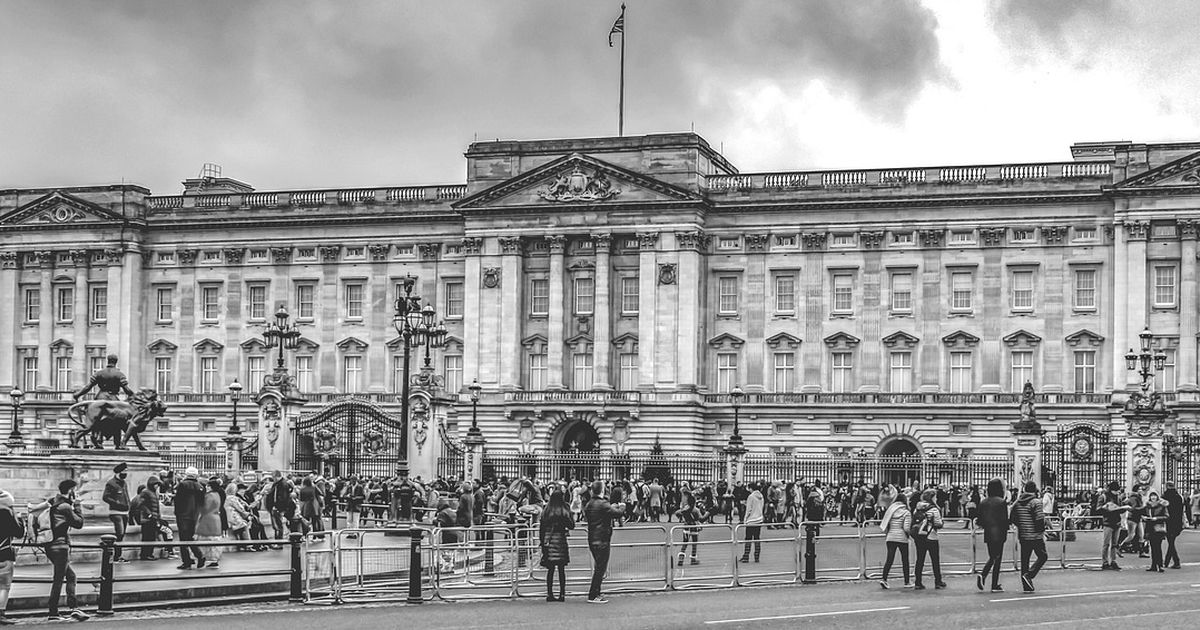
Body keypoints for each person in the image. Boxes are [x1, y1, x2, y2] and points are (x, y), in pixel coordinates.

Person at [45, 479, 90, 622]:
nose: (75, 493)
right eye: (74, 490)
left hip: (50, 545)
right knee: (58, 579)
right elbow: (79, 523)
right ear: (70, 490)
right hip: (60, 546)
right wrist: (77, 505)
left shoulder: (52, 501)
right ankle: (53, 612)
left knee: (70, 576)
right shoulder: (64, 506)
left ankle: (73, 608)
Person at [583, 481, 626, 604]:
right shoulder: (603, 504)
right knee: (600, 569)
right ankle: (593, 594)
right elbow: (617, 514)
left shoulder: (590, 504)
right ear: (602, 490)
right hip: (602, 538)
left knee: (599, 566)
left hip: (592, 537)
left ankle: (597, 592)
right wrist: (622, 506)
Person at [1011, 480, 1048, 592]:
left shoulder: (1017, 502)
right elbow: (1039, 519)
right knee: (1043, 556)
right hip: (1036, 536)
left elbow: (1012, 517)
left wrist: (1022, 525)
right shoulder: (1036, 502)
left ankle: (1026, 586)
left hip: (1023, 535)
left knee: (1024, 560)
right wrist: (1042, 531)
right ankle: (1029, 575)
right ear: (1034, 490)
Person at [975, 477, 1009, 592]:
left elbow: (979, 520)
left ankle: (986, 578)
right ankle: (991, 582)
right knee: (997, 558)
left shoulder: (984, 501)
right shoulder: (1001, 502)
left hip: (988, 532)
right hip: (1000, 532)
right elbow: (1004, 519)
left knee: (993, 557)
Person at [539, 490, 574, 602]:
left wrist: (542, 542)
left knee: (550, 570)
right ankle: (562, 594)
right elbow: (571, 525)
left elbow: (542, 528)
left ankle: (550, 594)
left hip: (548, 541)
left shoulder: (547, 510)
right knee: (561, 570)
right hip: (561, 540)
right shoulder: (564, 509)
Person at [174, 467, 207, 569]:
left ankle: (187, 561)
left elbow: (177, 500)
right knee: (190, 537)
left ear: (186, 474)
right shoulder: (201, 487)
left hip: (183, 515)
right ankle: (199, 556)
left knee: (183, 540)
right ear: (196, 475)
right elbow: (202, 503)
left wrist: (177, 513)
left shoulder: (182, 485)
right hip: (195, 516)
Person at [912, 488, 946, 590]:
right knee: (935, 560)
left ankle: (918, 582)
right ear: (932, 497)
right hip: (931, 536)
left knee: (920, 560)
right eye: (935, 496)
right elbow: (938, 523)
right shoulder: (934, 509)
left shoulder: (917, 508)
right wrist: (941, 524)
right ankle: (938, 581)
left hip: (920, 536)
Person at [878, 492, 912, 589]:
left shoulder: (891, 511)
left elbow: (886, 524)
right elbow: (906, 528)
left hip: (891, 537)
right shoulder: (906, 512)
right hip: (902, 538)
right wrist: (909, 535)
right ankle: (907, 581)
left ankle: (884, 579)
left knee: (889, 559)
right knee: (905, 560)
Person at [0, 490, 22, 625]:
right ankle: (1, 614)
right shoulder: (7, 514)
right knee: (4, 586)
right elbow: (18, 533)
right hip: (4, 553)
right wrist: (19, 519)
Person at [102, 462, 131, 564]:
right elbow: (105, 497)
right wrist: (116, 503)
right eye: (124, 471)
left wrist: (128, 506)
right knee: (120, 533)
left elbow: (126, 496)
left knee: (122, 535)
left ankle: (118, 555)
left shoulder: (124, 483)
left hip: (124, 512)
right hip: (116, 512)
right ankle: (116, 556)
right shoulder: (111, 483)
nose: (126, 473)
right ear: (119, 472)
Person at [196, 478, 228, 569]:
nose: (206, 487)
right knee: (215, 540)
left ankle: (209, 559)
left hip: (208, 520)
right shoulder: (217, 494)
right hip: (216, 519)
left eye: (208, 486)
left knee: (206, 540)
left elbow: (205, 508)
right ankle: (214, 560)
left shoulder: (209, 496)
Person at [1100, 483, 1130, 570]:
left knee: (1114, 544)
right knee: (1106, 544)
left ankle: (1113, 561)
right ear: (1112, 490)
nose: (1117, 492)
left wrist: (1124, 508)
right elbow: (1098, 509)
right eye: (1116, 491)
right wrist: (1107, 508)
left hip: (1116, 522)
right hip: (1108, 522)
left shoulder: (1118, 498)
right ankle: (1105, 562)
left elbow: (1120, 509)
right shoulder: (1103, 497)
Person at [264, 470, 295, 545]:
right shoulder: (278, 483)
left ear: (276, 476)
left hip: (277, 508)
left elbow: (282, 498)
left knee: (278, 526)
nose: (273, 479)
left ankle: (279, 543)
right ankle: (277, 541)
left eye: (273, 477)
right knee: (277, 525)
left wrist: (277, 507)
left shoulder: (282, 484)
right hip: (275, 507)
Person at [137, 475, 164, 560]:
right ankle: (145, 554)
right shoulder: (145, 492)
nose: (157, 486)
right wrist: (149, 514)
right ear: (151, 484)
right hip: (147, 519)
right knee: (147, 537)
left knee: (152, 537)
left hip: (153, 519)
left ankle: (149, 553)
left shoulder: (154, 493)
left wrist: (158, 517)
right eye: (156, 484)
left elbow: (156, 507)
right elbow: (141, 504)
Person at [1143, 491, 1168, 572]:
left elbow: (1166, 516)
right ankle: (1154, 565)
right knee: (1153, 547)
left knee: (1158, 547)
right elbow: (1142, 513)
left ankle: (1160, 565)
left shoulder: (1162, 506)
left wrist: (1157, 518)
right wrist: (1144, 517)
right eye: (1151, 496)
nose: (1153, 498)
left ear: (1157, 497)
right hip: (1150, 527)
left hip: (1158, 528)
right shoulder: (1148, 506)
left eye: (1154, 496)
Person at [740, 482, 764, 563]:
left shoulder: (751, 497)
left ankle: (746, 556)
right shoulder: (761, 496)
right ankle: (757, 556)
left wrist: (745, 519)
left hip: (751, 520)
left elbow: (749, 509)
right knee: (757, 538)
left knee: (748, 538)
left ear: (751, 488)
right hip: (759, 519)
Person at [1163, 482, 1185, 569]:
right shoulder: (1179, 496)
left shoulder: (1165, 496)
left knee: (1170, 542)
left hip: (1168, 522)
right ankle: (1167, 562)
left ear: (1167, 486)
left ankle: (1176, 561)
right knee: (1171, 541)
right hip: (1177, 522)